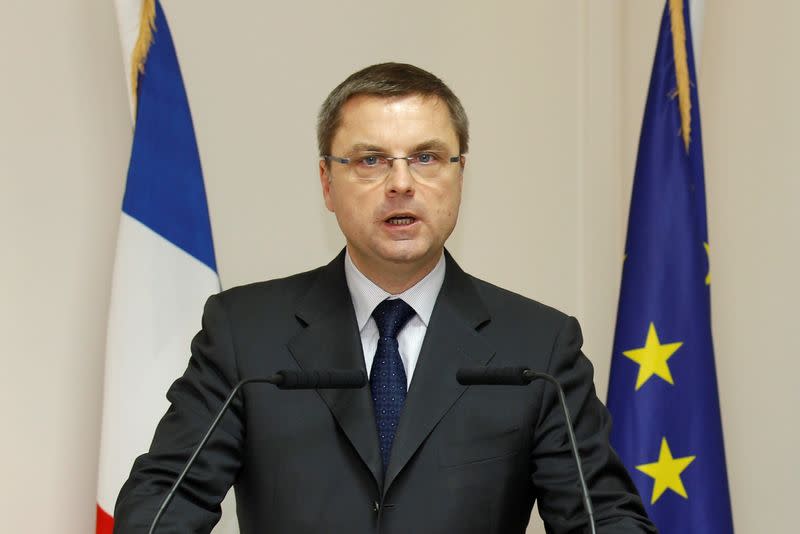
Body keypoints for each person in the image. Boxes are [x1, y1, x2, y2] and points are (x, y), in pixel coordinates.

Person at [114, 62, 655, 533]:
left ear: (460, 174)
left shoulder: (537, 348)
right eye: (371, 160)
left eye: (427, 157)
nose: (402, 183)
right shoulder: (245, 333)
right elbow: (163, 502)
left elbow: (602, 517)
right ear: (326, 182)